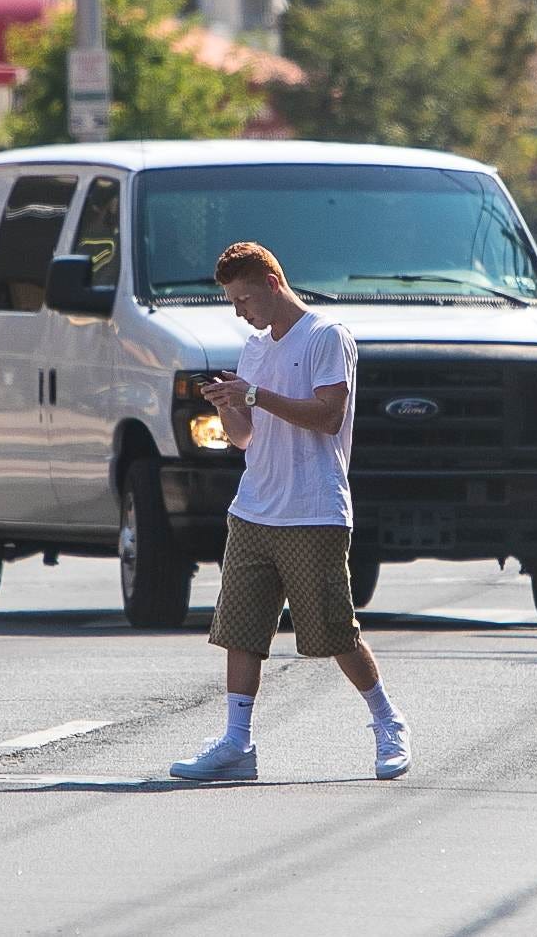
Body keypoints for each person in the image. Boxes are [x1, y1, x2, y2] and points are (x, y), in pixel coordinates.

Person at [170, 242, 411, 782]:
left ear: (273, 285)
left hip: (313, 508)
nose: (239, 311)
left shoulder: (327, 336)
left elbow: (328, 416)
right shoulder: (255, 347)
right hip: (255, 507)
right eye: (232, 301)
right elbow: (244, 438)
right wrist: (232, 407)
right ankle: (236, 744)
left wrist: (253, 395)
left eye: (244, 298)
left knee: (333, 632)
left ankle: (388, 721)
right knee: (240, 630)